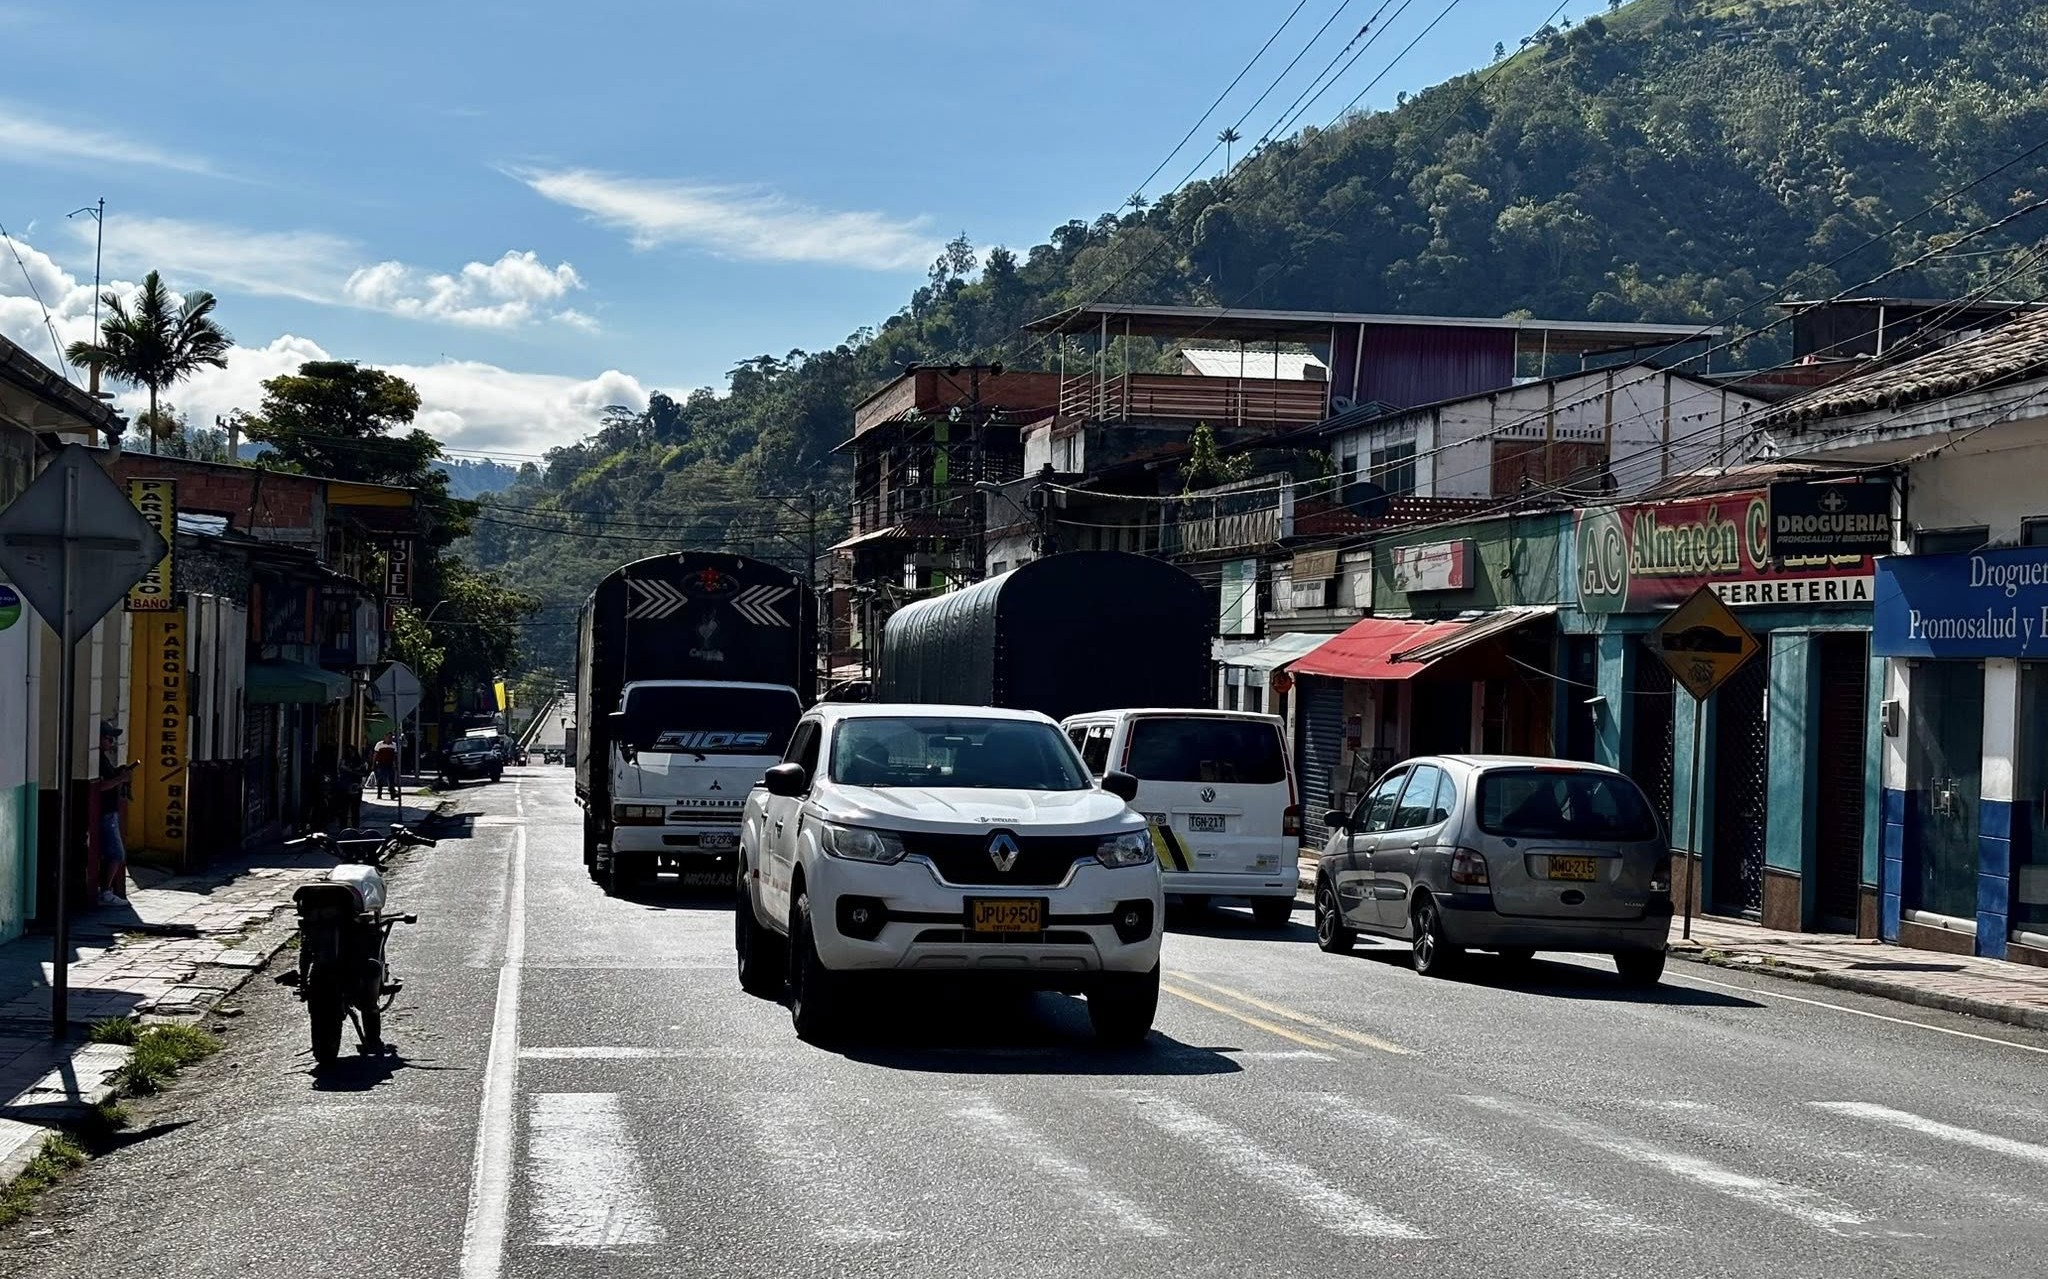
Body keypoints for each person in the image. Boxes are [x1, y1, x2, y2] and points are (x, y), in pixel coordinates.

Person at [96, 721, 135, 907]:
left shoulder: (103, 759)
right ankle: (105, 891)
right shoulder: (97, 760)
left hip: (109, 812)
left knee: (111, 853)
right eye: (108, 738)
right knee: (116, 853)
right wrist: (121, 778)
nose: (111, 742)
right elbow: (100, 786)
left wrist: (118, 773)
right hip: (105, 813)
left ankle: (105, 890)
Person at [372, 733, 398, 799]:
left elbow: (394, 756)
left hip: (390, 764)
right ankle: (379, 794)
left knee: (391, 779)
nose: (390, 739)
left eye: (391, 737)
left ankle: (392, 794)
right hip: (381, 764)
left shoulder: (394, 745)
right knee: (381, 779)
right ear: (385, 737)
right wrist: (373, 764)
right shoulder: (379, 744)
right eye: (389, 737)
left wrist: (395, 765)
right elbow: (375, 755)